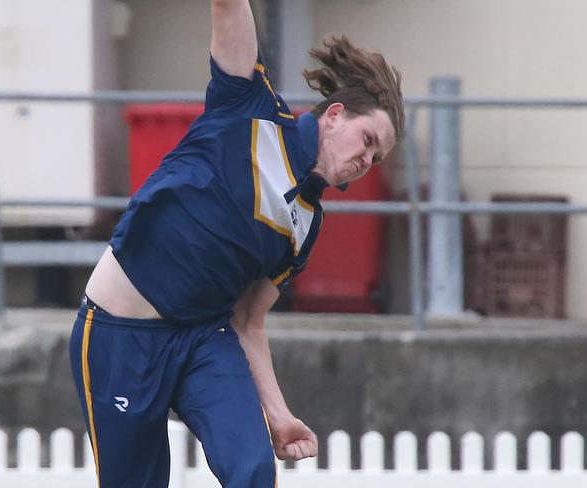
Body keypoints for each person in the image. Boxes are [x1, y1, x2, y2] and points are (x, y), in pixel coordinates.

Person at [69, 1, 405, 487]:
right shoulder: (249, 107)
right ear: (334, 115)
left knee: (252, 469)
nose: (366, 160)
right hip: (120, 336)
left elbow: (248, 321)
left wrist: (279, 414)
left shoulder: (306, 223)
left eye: (377, 157)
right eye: (367, 139)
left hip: (204, 338)